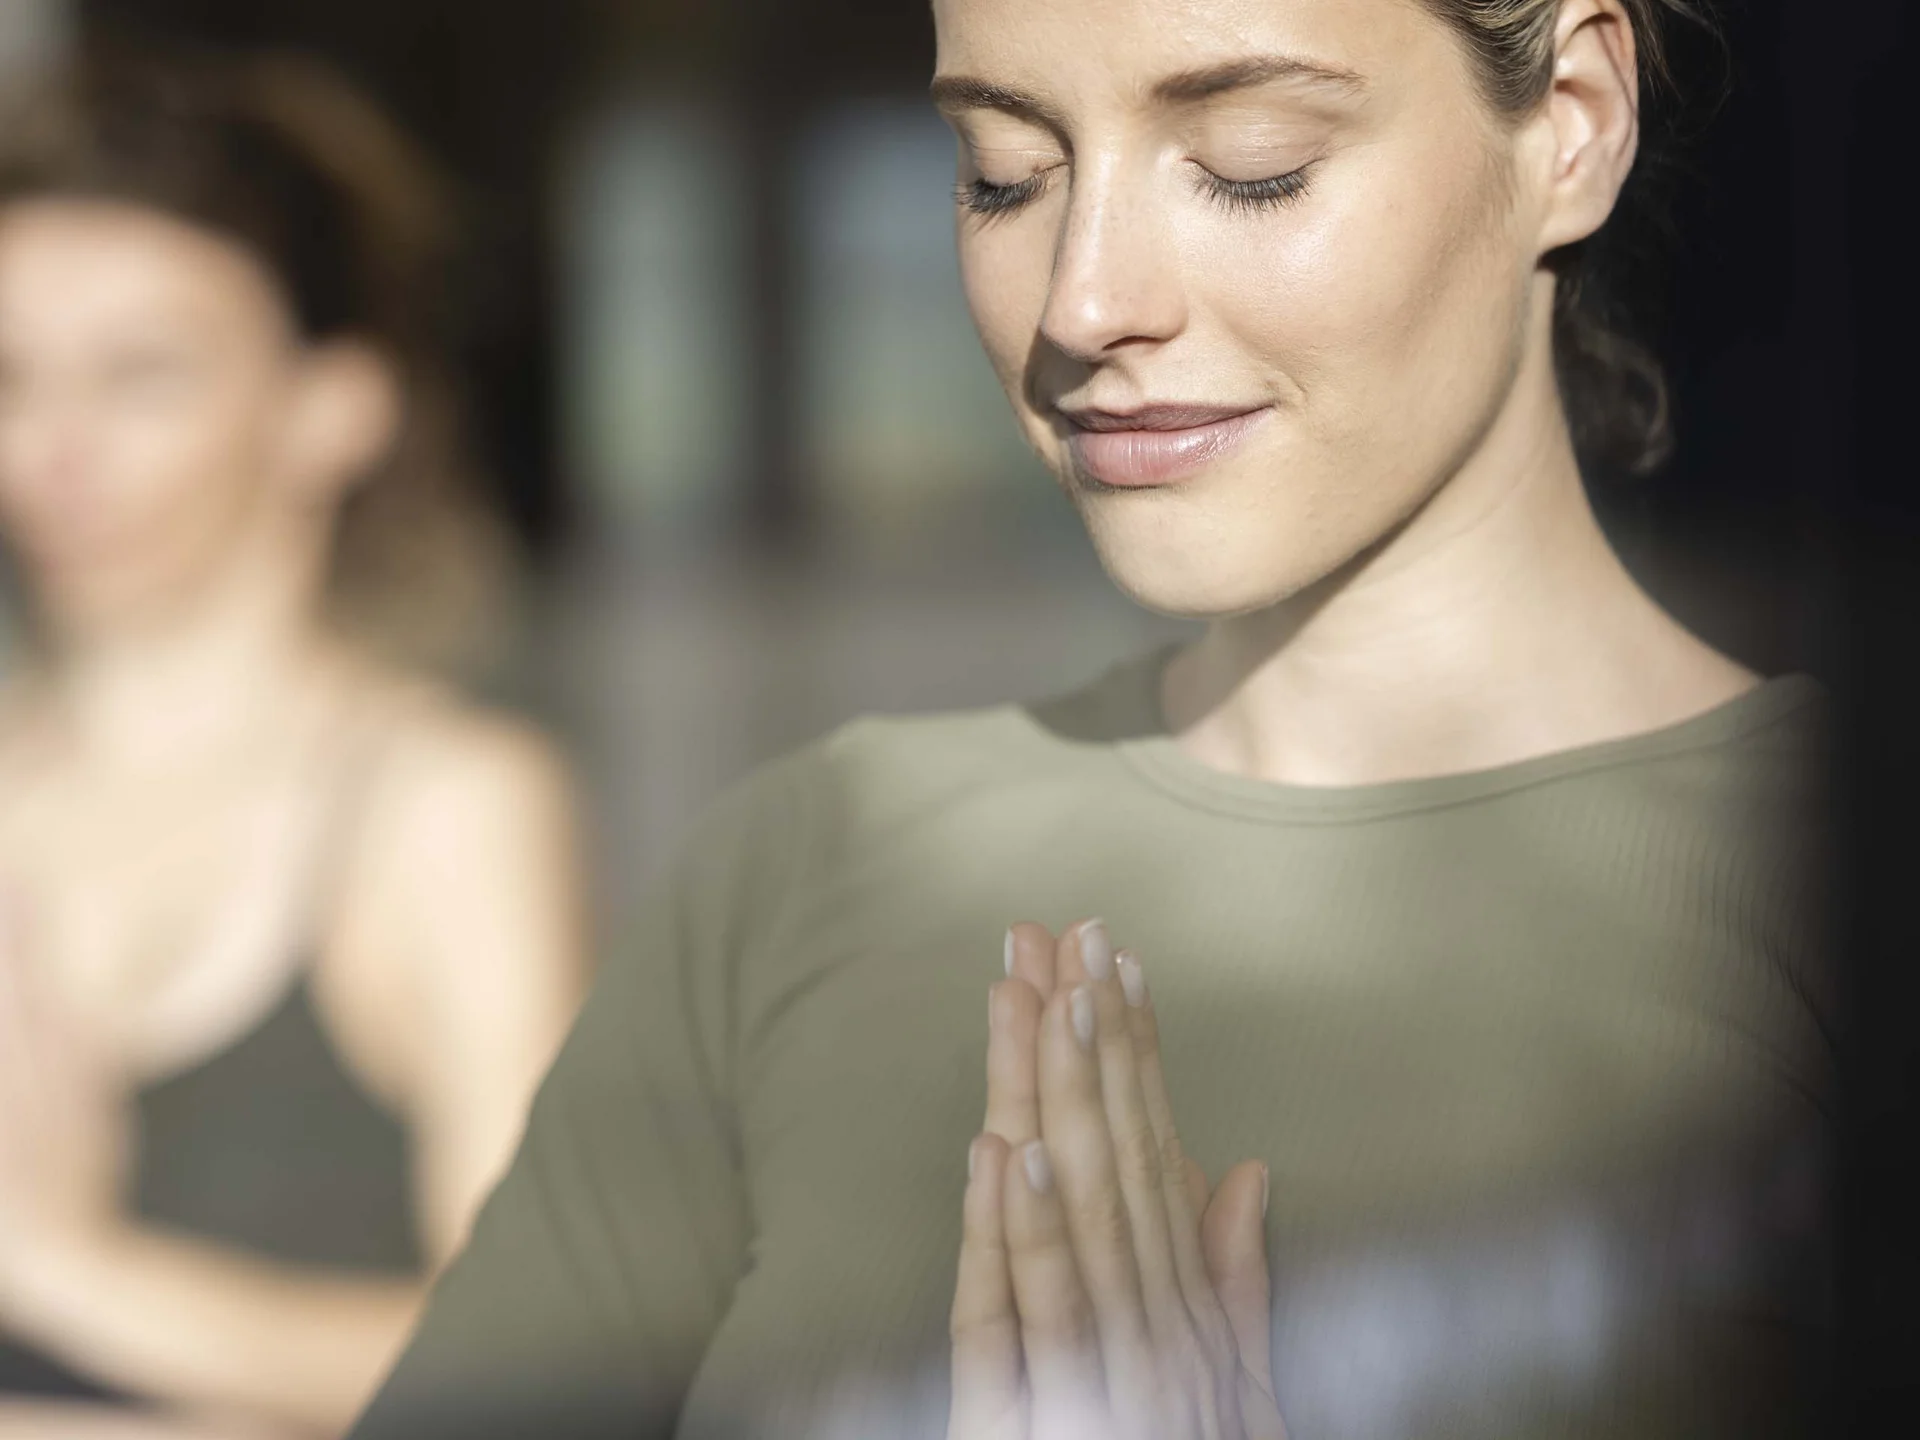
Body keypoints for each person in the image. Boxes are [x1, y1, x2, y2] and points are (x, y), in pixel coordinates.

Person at [349, 1, 1834, 1437]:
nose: (1083, 301)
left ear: (1573, 122)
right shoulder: (810, 864)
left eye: (1253, 165)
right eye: (1005, 176)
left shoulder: (1837, 885)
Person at [0, 46, 589, 1440]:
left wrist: (55, 1266)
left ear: (336, 405)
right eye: (11, 375)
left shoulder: (446, 808)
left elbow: (541, 1362)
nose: (55, 446)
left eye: (141, 376)